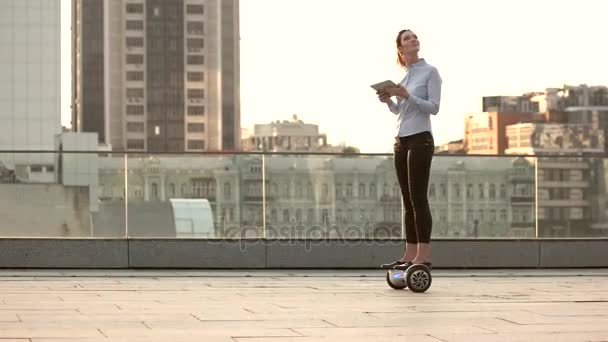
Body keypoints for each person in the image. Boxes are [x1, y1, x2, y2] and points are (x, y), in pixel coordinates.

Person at [377, 29, 442, 270]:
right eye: (407, 38)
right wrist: (391, 102)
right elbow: (401, 111)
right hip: (401, 140)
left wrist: (407, 96)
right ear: (401, 49)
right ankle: (409, 254)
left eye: (415, 37)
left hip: (420, 139)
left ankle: (422, 256)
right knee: (406, 199)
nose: (413, 40)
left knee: (418, 198)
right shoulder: (403, 78)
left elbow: (433, 108)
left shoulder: (430, 72)